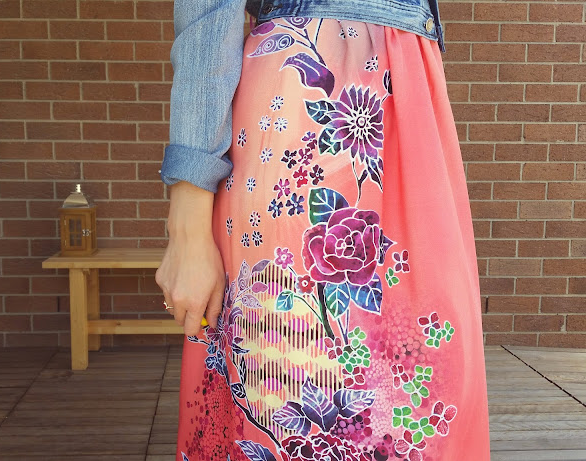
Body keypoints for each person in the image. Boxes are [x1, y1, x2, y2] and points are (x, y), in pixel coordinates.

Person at [154, 0, 491, 459]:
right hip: (307, 108)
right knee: (293, 387)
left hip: (412, 95)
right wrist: (188, 227)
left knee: (424, 394)